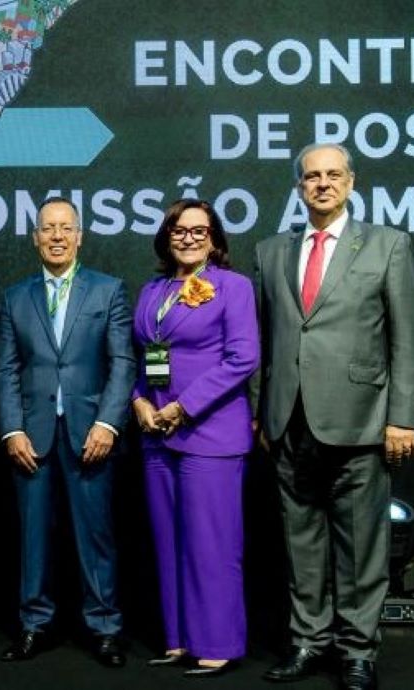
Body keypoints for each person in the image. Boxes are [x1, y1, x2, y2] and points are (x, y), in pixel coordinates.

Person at [255, 143, 414, 690]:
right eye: (312, 177)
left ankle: (357, 652)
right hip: (289, 421)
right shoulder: (270, 252)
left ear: (351, 182)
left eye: (333, 175)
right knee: (300, 542)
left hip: (361, 422)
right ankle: (308, 641)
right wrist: (261, 413)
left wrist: (403, 418)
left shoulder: (387, 244)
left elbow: (406, 340)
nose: (322, 183)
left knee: (360, 547)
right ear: (299, 187)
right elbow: (264, 341)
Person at [0, 197, 135, 667]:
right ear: (35, 237)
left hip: (90, 435)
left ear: (80, 237)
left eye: (65, 228)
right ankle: (34, 624)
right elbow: (6, 369)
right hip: (31, 438)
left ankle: (105, 628)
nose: (56, 236)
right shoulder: (15, 297)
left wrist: (108, 423)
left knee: (96, 537)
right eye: (48, 228)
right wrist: (12, 430)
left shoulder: (108, 290)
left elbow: (122, 363)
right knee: (32, 538)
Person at [130, 199, 258, 677]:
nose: (188, 238)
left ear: (214, 239)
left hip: (209, 432)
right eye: (178, 230)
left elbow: (243, 357)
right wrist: (139, 402)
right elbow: (145, 357)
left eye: (198, 231)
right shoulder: (153, 290)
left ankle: (218, 644)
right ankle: (180, 640)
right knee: (169, 542)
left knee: (212, 544)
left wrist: (185, 406)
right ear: (166, 238)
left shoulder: (233, 287)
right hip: (157, 434)